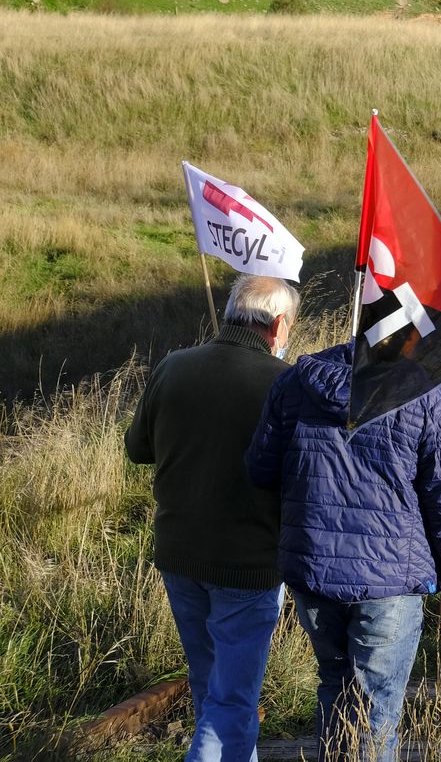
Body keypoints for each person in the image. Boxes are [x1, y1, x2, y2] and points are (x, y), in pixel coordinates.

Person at [246, 330, 441, 762]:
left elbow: (261, 468)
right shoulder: (426, 392)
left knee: (334, 685)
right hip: (390, 578)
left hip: (313, 568)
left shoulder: (295, 382)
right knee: (377, 707)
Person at [125, 275, 298, 762]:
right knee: (232, 700)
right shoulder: (283, 384)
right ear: (279, 325)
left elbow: (137, 447)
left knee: (211, 688)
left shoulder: (174, 367)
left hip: (179, 554)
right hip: (249, 563)